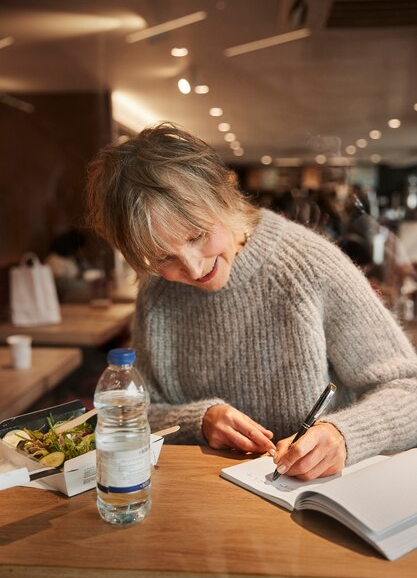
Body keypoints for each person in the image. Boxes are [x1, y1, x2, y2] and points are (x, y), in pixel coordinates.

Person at [86, 123, 417, 481]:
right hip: (199, 506)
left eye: (197, 235)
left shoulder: (309, 265)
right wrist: (200, 420)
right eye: (164, 258)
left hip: (308, 502)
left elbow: (409, 389)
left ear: (224, 196)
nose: (194, 268)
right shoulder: (156, 294)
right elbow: (136, 412)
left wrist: (345, 434)